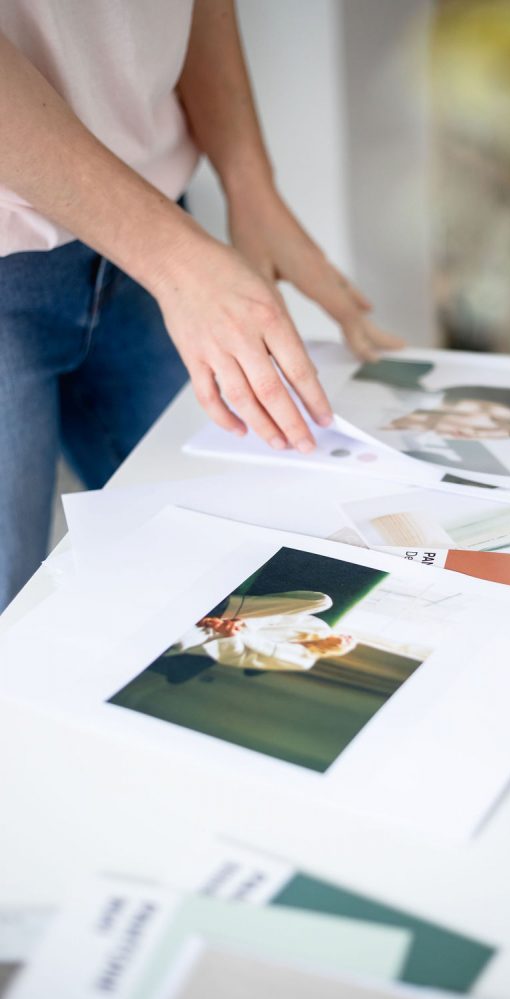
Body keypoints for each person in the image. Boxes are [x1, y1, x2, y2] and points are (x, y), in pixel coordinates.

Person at [0, 1, 404, 610]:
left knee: (228, 567)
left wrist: (250, 183)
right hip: (122, 246)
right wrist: (175, 258)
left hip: (153, 224)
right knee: (14, 614)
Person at [175, 590, 357, 671]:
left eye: (350, 644)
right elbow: (276, 616)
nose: (349, 638)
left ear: (336, 652)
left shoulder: (301, 661)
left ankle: (217, 618)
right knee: (323, 601)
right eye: (350, 637)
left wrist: (231, 633)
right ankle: (223, 609)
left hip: (212, 638)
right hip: (239, 614)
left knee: (178, 638)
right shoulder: (319, 627)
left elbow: (239, 658)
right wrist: (240, 622)